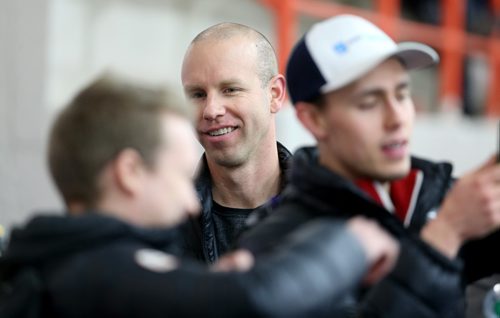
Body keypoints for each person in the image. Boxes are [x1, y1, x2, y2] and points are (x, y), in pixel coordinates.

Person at [0, 74, 401, 317]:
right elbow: (255, 302)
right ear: (130, 173)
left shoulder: (59, 263)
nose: (192, 202)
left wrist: (205, 285)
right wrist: (351, 244)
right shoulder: (98, 271)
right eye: (177, 177)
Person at [239, 14, 500, 317]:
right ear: (313, 120)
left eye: (402, 94)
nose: (397, 118)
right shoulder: (274, 245)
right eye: (369, 103)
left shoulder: (433, 192)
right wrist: (445, 234)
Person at [179, 22, 292, 262]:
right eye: (197, 95)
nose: (211, 110)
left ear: (274, 95)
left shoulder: (331, 212)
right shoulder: (164, 222)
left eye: (230, 89)